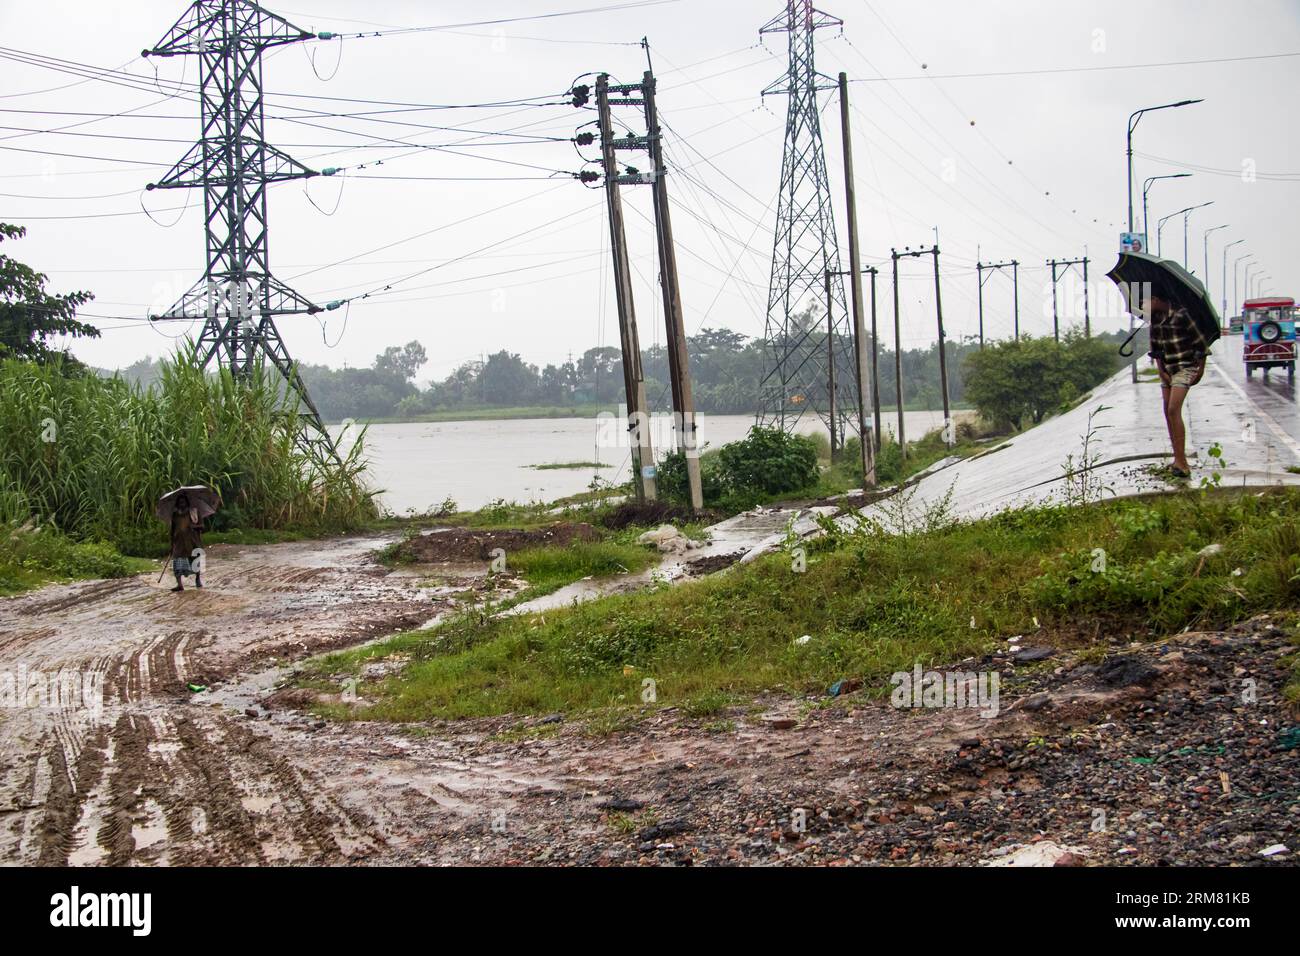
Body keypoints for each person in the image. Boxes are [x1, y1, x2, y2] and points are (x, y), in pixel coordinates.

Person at [1146, 286, 1209, 479]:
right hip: (1168, 370)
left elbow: (1201, 344)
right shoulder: (1155, 320)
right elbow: (1155, 349)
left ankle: (1183, 463)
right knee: (1167, 412)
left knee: (1174, 409)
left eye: (1147, 301)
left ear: (1157, 298)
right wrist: (1160, 370)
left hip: (1185, 367)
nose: (1145, 305)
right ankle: (1177, 459)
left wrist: (1200, 370)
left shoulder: (1182, 315)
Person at [169, 493, 204, 592]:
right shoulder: (175, 515)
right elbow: (172, 530)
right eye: (180, 502)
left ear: (187, 502)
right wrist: (171, 544)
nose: (181, 504)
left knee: (195, 562)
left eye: (183, 502)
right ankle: (179, 584)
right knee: (177, 562)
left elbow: (202, 526)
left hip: (192, 542)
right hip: (179, 543)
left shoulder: (194, 513)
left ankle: (197, 579)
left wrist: (194, 527)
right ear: (177, 503)